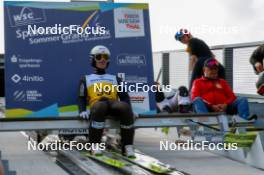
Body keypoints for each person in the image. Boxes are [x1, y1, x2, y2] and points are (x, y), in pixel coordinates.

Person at [78, 45, 135, 157]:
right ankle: (94, 145)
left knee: (125, 107)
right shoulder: (86, 78)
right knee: (100, 107)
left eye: (105, 57)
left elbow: (124, 97)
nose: (103, 59)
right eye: (99, 57)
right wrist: (82, 110)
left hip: (112, 104)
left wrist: (130, 111)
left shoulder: (115, 78)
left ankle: (127, 146)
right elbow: (81, 97)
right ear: (93, 59)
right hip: (97, 105)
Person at [191, 58, 257, 120]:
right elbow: (194, 97)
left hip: (225, 108)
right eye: (211, 69)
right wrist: (211, 106)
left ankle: (244, 120)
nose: (214, 71)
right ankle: (206, 121)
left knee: (242, 99)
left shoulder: (222, 81)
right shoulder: (197, 82)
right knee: (197, 99)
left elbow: (232, 96)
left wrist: (225, 104)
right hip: (207, 109)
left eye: (215, 69)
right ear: (204, 70)